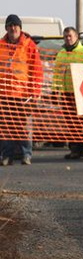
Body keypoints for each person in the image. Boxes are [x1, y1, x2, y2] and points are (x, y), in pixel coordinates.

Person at [52, 27, 83, 159]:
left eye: (70, 36)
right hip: (67, 93)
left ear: (76, 37)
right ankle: (76, 150)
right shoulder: (62, 53)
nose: (68, 39)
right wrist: (54, 91)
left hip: (81, 94)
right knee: (70, 123)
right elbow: (57, 74)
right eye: (65, 36)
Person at [0, 15, 43, 166]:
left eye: (15, 25)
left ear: (20, 28)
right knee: (6, 127)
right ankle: (7, 156)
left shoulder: (29, 45)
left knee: (24, 126)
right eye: (10, 26)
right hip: (4, 95)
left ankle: (26, 155)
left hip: (23, 95)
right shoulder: (1, 45)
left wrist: (35, 92)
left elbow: (37, 71)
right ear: (6, 28)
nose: (13, 28)